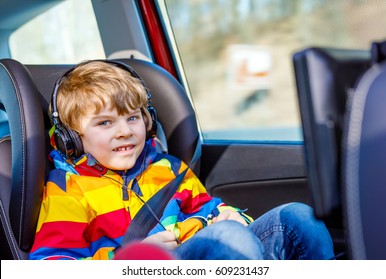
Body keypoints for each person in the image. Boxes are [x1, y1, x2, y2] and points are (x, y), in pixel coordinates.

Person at [29, 60, 334, 260]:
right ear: (73, 137)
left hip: (200, 253)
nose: (124, 132)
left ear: (148, 122)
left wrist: (232, 215)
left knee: (298, 218)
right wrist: (127, 258)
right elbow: (53, 262)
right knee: (229, 239)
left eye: (132, 118)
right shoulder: (68, 190)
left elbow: (209, 208)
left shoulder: (169, 169)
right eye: (105, 123)